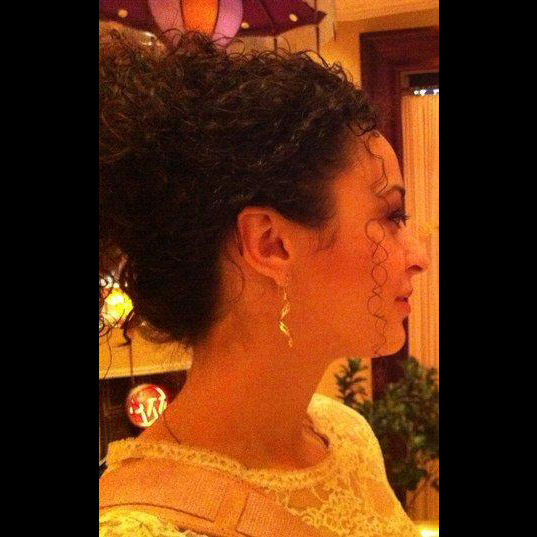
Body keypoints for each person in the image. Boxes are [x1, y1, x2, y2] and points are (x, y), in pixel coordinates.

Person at [99, 28, 429, 537]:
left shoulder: (346, 436)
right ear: (271, 244)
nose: (419, 257)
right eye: (392, 215)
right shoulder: (139, 527)